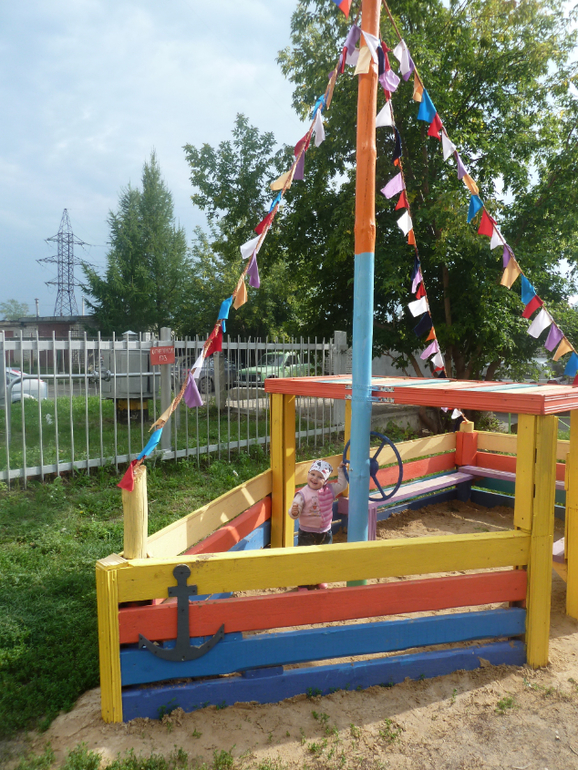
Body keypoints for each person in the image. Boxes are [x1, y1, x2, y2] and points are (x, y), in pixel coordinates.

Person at [289, 459, 348, 547]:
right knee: (307, 553)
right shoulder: (303, 493)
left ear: (325, 481)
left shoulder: (329, 490)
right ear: (308, 474)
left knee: (326, 552)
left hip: (326, 531)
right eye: (312, 474)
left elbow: (342, 486)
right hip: (307, 533)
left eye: (320, 477)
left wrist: (341, 470)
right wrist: (294, 512)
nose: (315, 478)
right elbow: (295, 509)